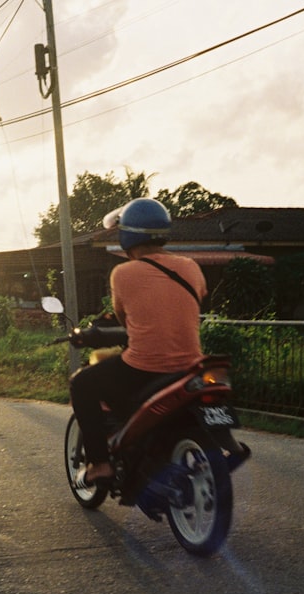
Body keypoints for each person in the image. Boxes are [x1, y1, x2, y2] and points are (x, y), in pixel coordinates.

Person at [69, 197, 208, 487]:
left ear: (127, 235)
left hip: (145, 368)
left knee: (82, 383)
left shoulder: (123, 273)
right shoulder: (192, 267)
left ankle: (100, 466)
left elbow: (125, 320)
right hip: (189, 367)